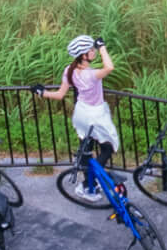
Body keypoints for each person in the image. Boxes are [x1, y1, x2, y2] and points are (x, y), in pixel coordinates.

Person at [42, 33, 118, 167]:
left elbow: (60, 94)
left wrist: (42, 92)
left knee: (86, 149)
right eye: (91, 50)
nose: (94, 52)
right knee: (108, 147)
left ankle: (87, 183)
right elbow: (109, 67)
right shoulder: (91, 75)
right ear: (84, 56)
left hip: (81, 114)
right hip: (96, 115)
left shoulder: (69, 71)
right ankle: (91, 181)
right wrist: (102, 47)